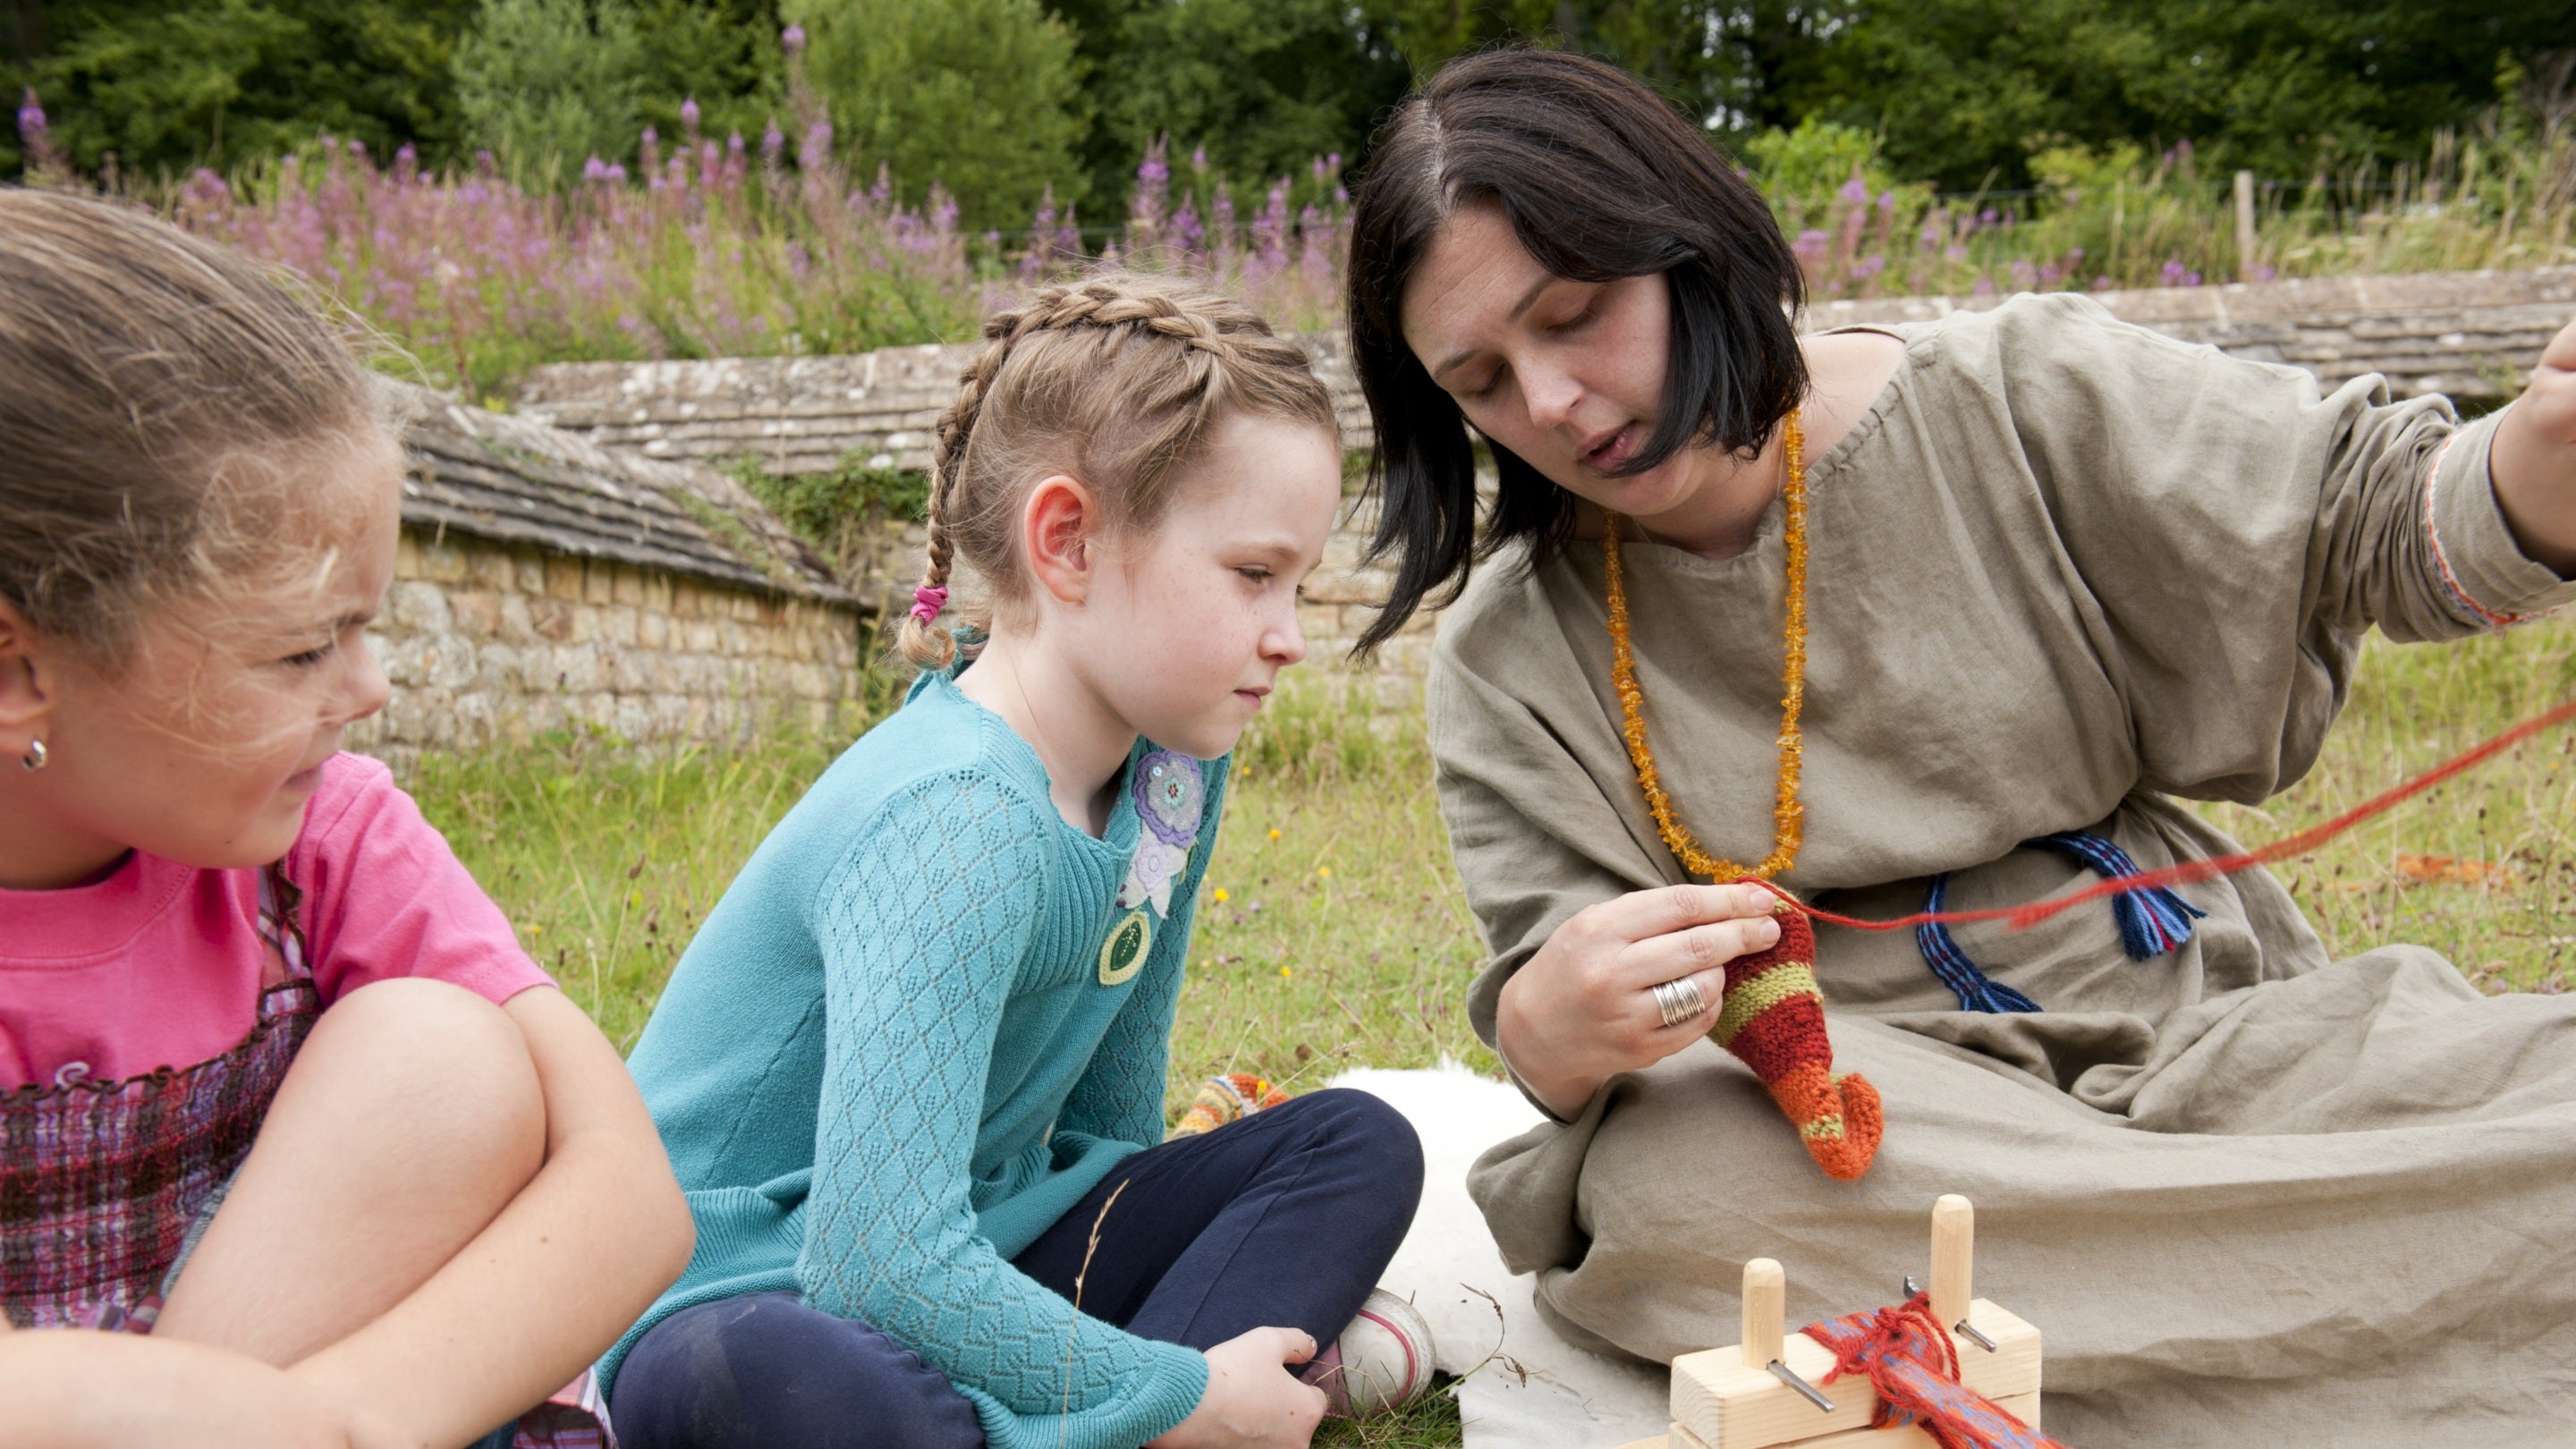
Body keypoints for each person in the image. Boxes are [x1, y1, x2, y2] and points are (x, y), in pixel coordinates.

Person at [1341, 47, 2576, 1446]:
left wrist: (2537, 472)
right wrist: (1550, 1034)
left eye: (1576, 316)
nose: (1552, 404)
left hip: (2203, 1024)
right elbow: (1566, 1003)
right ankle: (2405, 1310)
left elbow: (2371, 514)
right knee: (1672, 1192)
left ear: (1689, 246)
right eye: (1483, 382)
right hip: (1860, 1121)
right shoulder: (1512, 652)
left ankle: (2121, 1333)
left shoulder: (2017, 393)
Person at [600, 274, 1428, 1449]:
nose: (1290, 634)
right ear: (1068, 541)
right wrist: (1177, 1388)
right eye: (1254, 575)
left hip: (982, 1241)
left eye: (1297, 585)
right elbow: (872, 1263)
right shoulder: (955, 814)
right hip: (739, 1296)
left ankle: (1088, 1415)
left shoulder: (1173, 773)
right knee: (801, 1384)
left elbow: (1108, 1130)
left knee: (1354, 1143)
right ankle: (1176, 1415)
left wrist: (1137, 1330)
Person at [0, 191, 694, 1447]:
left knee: (445, 1056)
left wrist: (325, 1425)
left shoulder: (328, 843)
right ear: (16, 670)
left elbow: (631, 1198)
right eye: (306, 648)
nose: (368, 687)